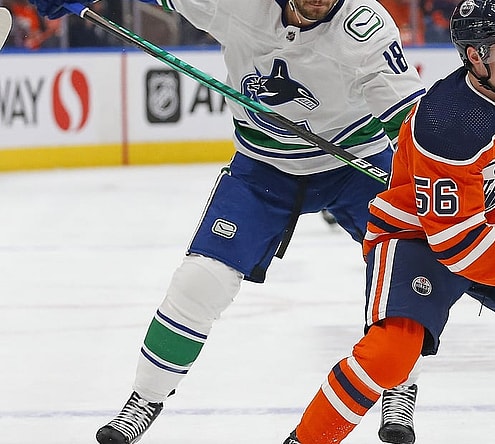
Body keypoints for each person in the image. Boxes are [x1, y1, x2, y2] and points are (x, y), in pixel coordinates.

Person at [28, 0, 428, 443]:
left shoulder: (364, 28)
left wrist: (443, 179)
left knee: (401, 276)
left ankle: (397, 383)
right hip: (263, 167)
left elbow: (410, 120)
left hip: (355, 160)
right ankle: (144, 399)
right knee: (200, 281)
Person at [282, 0, 495, 443]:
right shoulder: (446, 121)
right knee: (390, 354)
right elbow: (454, 239)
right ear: (475, 55)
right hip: (416, 237)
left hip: (494, 227)